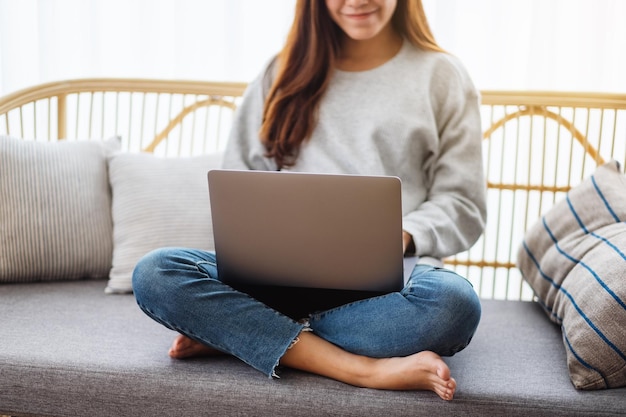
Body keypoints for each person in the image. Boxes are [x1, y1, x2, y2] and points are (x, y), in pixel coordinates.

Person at [132, 0, 486, 401]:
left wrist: (400, 235)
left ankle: (242, 332)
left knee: (454, 305)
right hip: (275, 279)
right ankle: (362, 369)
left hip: (390, 288)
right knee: (155, 272)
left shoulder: (442, 75)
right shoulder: (279, 72)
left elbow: (463, 203)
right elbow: (241, 184)